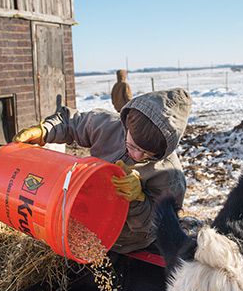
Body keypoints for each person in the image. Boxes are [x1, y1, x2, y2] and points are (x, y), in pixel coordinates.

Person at [13, 88, 192, 254]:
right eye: (132, 145)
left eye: (147, 153)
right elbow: (72, 123)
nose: (136, 155)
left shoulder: (169, 175)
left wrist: (137, 199)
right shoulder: (108, 126)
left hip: (125, 242)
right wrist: (45, 130)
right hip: (86, 221)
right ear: (127, 126)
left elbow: (156, 227)